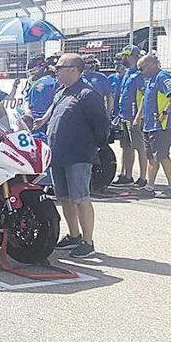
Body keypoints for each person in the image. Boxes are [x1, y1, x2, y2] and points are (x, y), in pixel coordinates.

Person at [46, 54, 110, 258]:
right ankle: (74, 235)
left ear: (73, 69)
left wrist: (94, 150)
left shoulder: (88, 94)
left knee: (81, 198)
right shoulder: (61, 93)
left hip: (78, 156)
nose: (55, 70)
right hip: (57, 155)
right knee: (64, 198)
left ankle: (87, 241)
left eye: (59, 67)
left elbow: (102, 126)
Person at [136, 54, 171, 199]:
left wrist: (165, 112)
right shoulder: (150, 79)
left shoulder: (162, 77)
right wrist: (139, 116)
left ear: (151, 64)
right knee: (152, 157)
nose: (140, 71)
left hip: (161, 126)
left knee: (162, 156)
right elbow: (145, 98)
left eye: (141, 68)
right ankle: (150, 187)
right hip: (149, 125)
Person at [115, 45, 148, 187]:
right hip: (124, 115)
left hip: (134, 117)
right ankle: (127, 175)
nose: (123, 58)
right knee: (126, 146)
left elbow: (145, 97)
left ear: (134, 56)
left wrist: (138, 117)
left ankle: (142, 177)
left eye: (126, 55)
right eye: (123, 55)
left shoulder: (140, 75)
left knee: (140, 147)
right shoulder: (127, 74)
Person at [23, 55, 59, 134]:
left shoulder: (54, 82)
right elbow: (26, 98)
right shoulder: (32, 82)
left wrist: (28, 113)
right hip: (44, 123)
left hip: (40, 123)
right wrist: (28, 112)